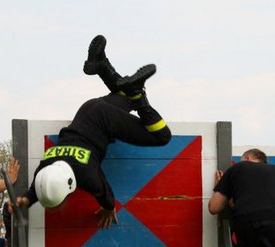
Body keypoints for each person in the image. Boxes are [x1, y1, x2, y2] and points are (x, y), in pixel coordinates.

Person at [16, 34, 171, 229]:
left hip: (105, 120)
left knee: (162, 136)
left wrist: (108, 209)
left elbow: (106, 197)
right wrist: (26, 201)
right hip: (88, 109)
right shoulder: (47, 166)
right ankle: (101, 65)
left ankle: (137, 94)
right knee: (124, 95)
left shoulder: (86, 175)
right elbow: (38, 189)